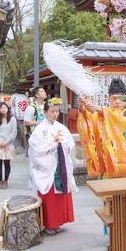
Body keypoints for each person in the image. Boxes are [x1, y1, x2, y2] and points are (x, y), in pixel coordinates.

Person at [77, 78, 126, 178]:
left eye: (120, 98)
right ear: (108, 99)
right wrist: (84, 107)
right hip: (110, 163)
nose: (117, 101)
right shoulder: (104, 113)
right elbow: (90, 118)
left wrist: (96, 108)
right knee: (110, 190)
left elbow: (119, 117)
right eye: (114, 98)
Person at [28, 97, 76, 235]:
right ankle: (49, 224)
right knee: (49, 197)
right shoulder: (40, 129)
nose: (55, 114)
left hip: (60, 164)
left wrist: (63, 145)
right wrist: (52, 146)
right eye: (52, 111)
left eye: (57, 111)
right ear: (45, 112)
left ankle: (58, 221)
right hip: (47, 166)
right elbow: (35, 148)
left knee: (60, 196)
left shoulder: (60, 127)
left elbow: (70, 142)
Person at [0, 102, 17, 189]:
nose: (3, 109)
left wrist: (7, 141)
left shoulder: (12, 119)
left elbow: (14, 132)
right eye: (1, 108)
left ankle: (5, 181)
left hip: (8, 144)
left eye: (5, 107)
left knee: (7, 163)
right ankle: (0, 181)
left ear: (8, 109)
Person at [24, 86, 47, 151]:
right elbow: (26, 122)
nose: (45, 92)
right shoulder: (31, 107)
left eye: (44, 91)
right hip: (36, 136)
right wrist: (40, 122)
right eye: (42, 91)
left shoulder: (48, 105)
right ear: (37, 95)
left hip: (47, 134)